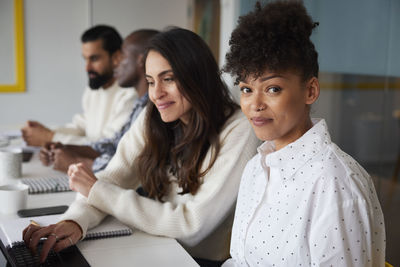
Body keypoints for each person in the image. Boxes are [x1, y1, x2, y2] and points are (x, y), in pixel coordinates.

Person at [22, 28, 260, 265]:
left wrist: (98, 191)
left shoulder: (240, 130)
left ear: (197, 76)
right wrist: (75, 221)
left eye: (168, 79)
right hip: (156, 244)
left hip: (197, 260)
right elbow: (112, 179)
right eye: (150, 81)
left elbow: (191, 226)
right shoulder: (155, 116)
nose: (156, 94)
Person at [221, 1, 385, 266]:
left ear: (310, 91)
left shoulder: (335, 183)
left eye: (272, 88)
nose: (255, 104)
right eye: (246, 89)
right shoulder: (256, 168)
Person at [39, 29, 159, 173]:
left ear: (141, 61)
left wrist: (77, 162)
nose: (117, 63)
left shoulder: (152, 107)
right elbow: (113, 144)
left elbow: (131, 167)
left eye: (122, 57)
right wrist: (65, 148)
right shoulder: (140, 104)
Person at [21, 25, 136, 147]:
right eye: (85, 59)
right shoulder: (94, 89)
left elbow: (106, 146)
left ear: (116, 57)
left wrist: (49, 137)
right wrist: (45, 131)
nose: (87, 67)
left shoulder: (130, 95)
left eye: (94, 59)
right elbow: (82, 127)